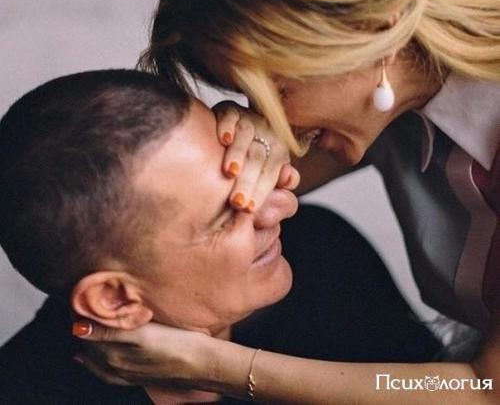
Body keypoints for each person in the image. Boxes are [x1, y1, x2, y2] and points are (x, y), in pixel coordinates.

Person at [73, 0, 500, 403]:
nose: (268, 116)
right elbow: (214, 208)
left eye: (275, 88)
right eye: (245, 94)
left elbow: (487, 389)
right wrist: (237, 142)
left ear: (372, 26)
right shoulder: (391, 100)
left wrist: (213, 366)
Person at [0, 69, 437, 404]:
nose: (283, 206)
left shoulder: (321, 254)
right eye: (227, 217)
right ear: (114, 299)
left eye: (250, 171)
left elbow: (456, 390)